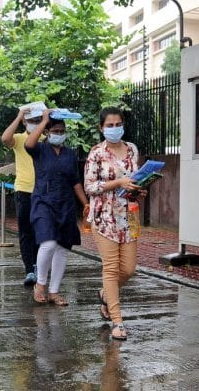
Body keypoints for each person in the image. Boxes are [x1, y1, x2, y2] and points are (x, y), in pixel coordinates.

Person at [84, 107, 146, 340]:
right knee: (110, 268)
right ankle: (117, 321)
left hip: (128, 215)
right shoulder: (96, 153)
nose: (114, 128)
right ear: (101, 128)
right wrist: (117, 181)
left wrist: (139, 189)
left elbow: (135, 178)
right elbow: (90, 186)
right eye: (109, 125)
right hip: (104, 216)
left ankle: (105, 294)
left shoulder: (132, 149)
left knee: (128, 269)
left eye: (117, 124)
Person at [25, 110, 88, 306]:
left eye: (62, 130)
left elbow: (76, 182)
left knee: (62, 248)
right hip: (43, 202)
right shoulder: (40, 149)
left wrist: (86, 204)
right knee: (49, 243)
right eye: (55, 130)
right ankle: (40, 284)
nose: (59, 133)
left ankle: (54, 291)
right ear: (47, 132)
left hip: (66, 204)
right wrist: (44, 120)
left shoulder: (70, 154)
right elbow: (28, 143)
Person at [1, 106, 43, 286]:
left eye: (37, 120)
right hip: (24, 190)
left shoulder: (45, 139)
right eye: (31, 120)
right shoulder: (18, 139)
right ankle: (29, 269)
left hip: (42, 192)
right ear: (25, 121)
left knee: (42, 231)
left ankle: (39, 266)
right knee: (26, 231)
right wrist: (19, 116)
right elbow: (5, 138)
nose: (35, 124)